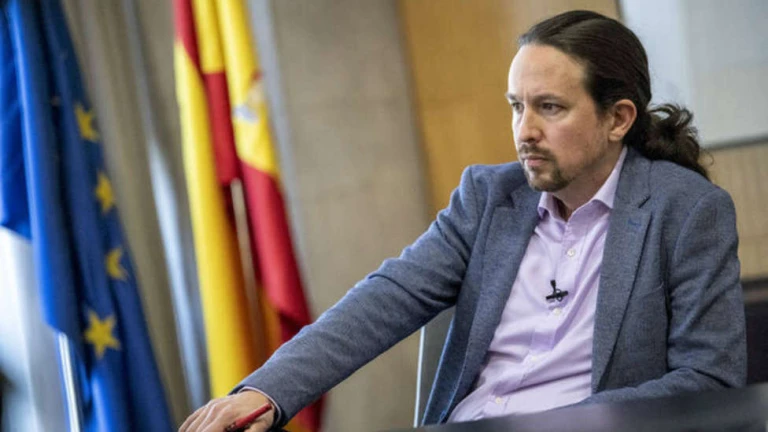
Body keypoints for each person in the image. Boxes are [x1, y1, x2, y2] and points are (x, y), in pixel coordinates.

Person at [180, 10, 746, 431]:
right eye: (516, 106)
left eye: (549, 107)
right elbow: (385, 298)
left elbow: (709, 378)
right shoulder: (489, 197)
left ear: (618, 118)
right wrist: (265, 393)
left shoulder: (686, 210)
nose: (524, 131)